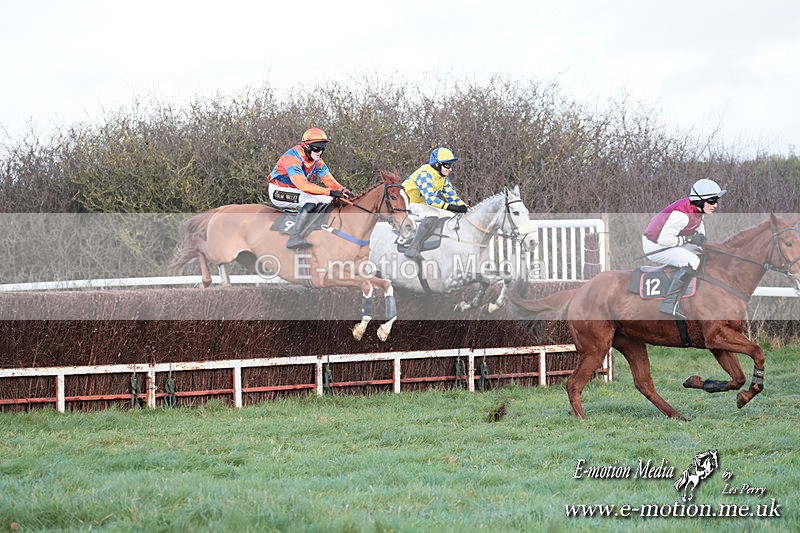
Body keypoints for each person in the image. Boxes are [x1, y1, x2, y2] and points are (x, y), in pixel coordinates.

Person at [642, 178, 726, 318]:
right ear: (700, 200)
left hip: (669, 241)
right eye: (712, 201)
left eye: (716, 201)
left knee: (703, 255)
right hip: (655, 245)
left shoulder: (697, 211)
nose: (715, 205)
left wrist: (703, 242)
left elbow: (699, 232)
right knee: (692, 261)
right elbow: (664, 240)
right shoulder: (682, 215)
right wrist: (688, 239)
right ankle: (669, 304)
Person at [268, 127, 352, 249]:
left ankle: (316, 229)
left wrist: (342, 190)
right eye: (317, 148)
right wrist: (330, 191)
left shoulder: (317, 160)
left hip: (297, 190)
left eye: (323, 148)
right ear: (306, 146)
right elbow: (303, 185)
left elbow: (329, 180)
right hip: (278, 190)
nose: (320, 152)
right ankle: (294, 237)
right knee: (310, 201)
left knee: (329, 200)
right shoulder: (292, 158)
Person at [401, 147, 468, 259]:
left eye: (451, 165)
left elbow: (452, 197)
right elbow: (430, 199)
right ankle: (413, 247)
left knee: (449, 215)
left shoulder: (443, 178)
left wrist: (465, 207)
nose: (450, 169)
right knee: (434, 214)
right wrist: (451, 207)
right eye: (447, 165)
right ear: (437, 165)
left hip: (419, 204)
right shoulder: (425, 174)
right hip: (405, 204)